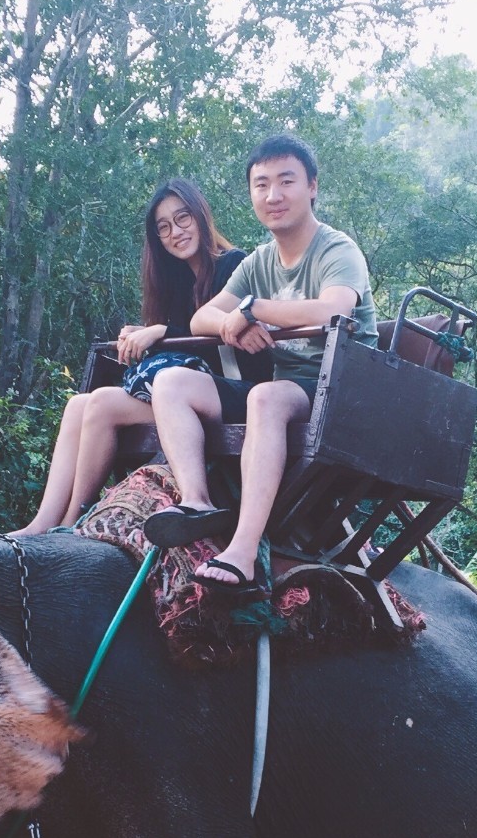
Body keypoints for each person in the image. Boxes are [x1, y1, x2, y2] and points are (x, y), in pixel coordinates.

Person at [143, 134, 379, 592]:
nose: (273, 196)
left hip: (339, 394)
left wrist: (254, 309)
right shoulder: (258, 261)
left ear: (311, 186)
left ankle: (242, 551)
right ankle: (196, 502)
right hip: (286, 389)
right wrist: (233, 320)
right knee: (171, 382)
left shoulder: (336, 249)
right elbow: (202, 315)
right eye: (261, 184)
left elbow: (332, 311)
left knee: (267, 396)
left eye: (285, 181)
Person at [14, 178, 258, 535]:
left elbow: (217, 339)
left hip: (230, 392)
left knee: (101, 404)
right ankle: (42, 522)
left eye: (183, 218)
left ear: (201, 216)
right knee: (81, 405)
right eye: (164, 227)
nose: (176, 232)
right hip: (183, 396)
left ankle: (70, 524)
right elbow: (179, 341)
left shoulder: (233, 265)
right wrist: (140, 335)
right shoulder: (174, 281)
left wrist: (161, 332)